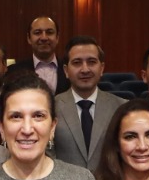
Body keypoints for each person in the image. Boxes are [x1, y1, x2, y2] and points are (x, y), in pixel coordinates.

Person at [51, 35, 121, 168]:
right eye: (77, 63)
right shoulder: (51, 108)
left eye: (91, 62)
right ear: (66, 71)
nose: (85, 69)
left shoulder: (121, 107)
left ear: (101, 68)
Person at [25, 16, 71, 94]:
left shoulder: (71, 69)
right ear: (29, 38)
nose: (44, 38)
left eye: (49, 32)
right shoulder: (14, 72)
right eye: (37, 32)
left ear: (57, 38)